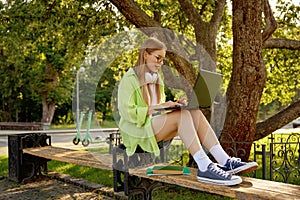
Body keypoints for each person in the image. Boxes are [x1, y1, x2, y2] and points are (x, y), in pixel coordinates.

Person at [117, 37, 258, 186]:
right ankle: (204, 166)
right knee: (182, 115)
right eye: (158, 58)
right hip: (137, 132)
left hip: (152, 126)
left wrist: (175, 105)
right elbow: (128, 112)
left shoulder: (157, 79)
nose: (161, 63)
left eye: (163, 60)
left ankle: (224, 161)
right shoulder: (130, 78)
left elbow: (157, 110)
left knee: (194, 112)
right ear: (145, 54)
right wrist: (162, 107)